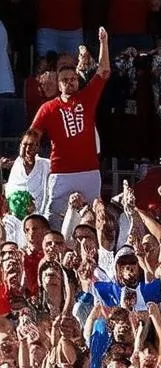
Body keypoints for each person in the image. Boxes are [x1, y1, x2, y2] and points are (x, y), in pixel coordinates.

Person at [30, 28, 111, 225]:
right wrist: (28, 155)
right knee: (53, 219)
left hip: (90, 171)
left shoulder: (88, 97)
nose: (70, 83)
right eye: (65, 81)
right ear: (58, 85)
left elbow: (103, 71)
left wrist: (104, 43)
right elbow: (33, 135)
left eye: (73, 79)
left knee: (93, 219)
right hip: (61, 173)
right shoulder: (48, 108)